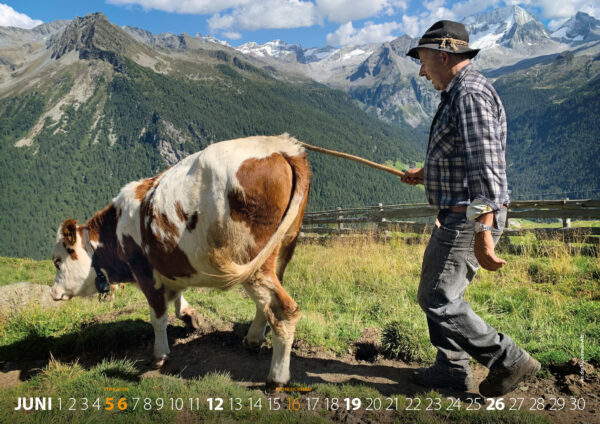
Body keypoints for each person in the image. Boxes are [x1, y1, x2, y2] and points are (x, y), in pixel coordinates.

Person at [401, 20, 540, 397]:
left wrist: (483, 230)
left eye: (424, 59)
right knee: (435, 291)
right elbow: (462, 154)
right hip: (458, 214)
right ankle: (451, 368)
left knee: (437, 298)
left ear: (444, 56)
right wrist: (427, 172)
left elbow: (485, 169)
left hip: (468, 217)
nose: (421, 69)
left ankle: (508, 359)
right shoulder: (459, 92)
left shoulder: (470, 95)